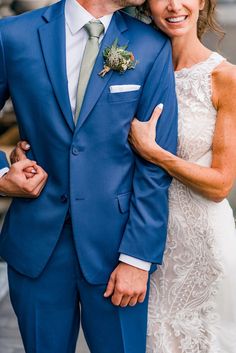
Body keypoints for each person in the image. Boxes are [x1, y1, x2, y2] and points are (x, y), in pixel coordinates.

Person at [0, 0, 178, 352]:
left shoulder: (150, 46)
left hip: (117, 252)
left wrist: (136, 258)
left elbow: (155, 166)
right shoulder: (13, 35)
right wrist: (2, 174)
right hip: (37, 248)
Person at [128, 0, 236, 352]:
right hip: (142, 244)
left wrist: (154, 153)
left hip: (202, 245)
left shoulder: (225, 78)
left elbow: (220, 184)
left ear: (203, 2)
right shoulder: (130, 69)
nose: (174, 5)